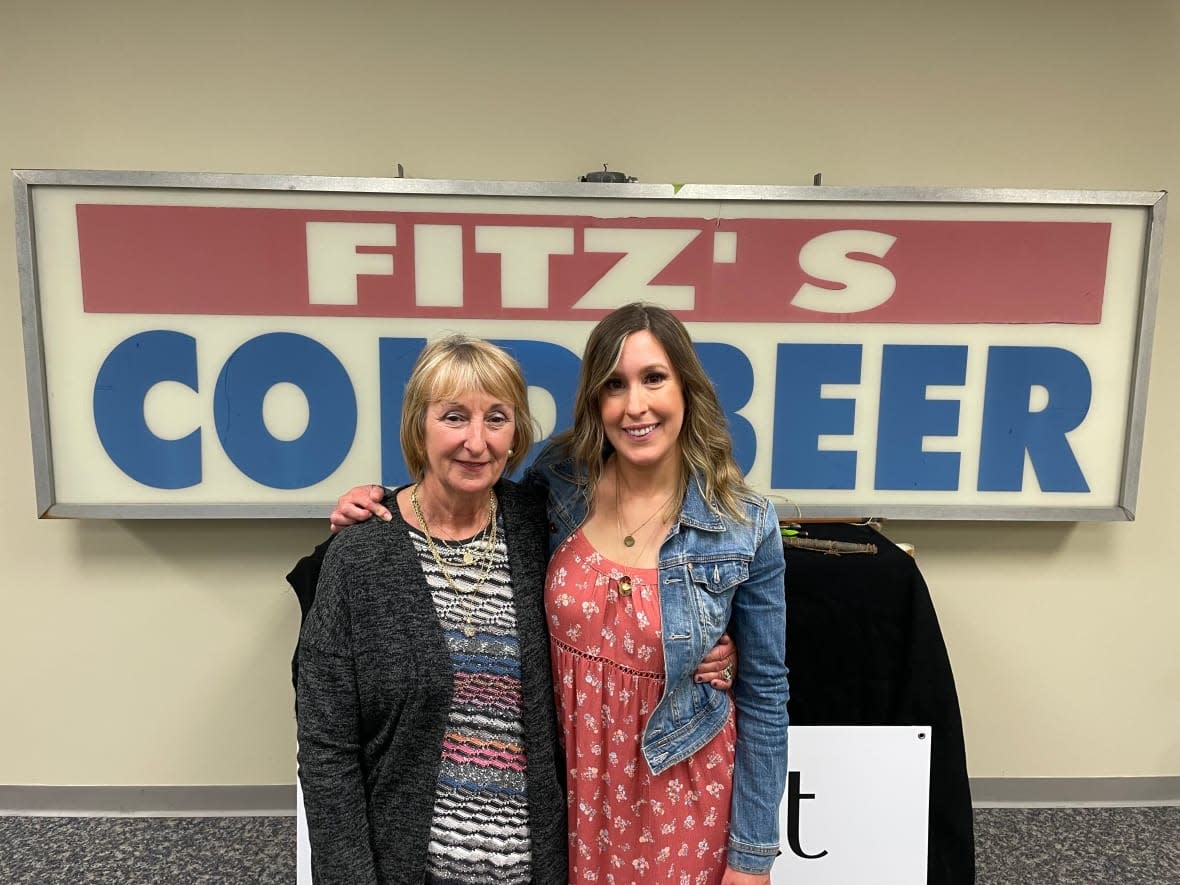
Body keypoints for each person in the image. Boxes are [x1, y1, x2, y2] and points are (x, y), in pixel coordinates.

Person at [328, 304, 787, 885]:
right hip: (564, 794)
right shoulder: (561, 483)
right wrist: (380, 499)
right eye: (614, 385)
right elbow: (464, 495)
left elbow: (767, 695)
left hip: (681, 794)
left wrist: (751, 860)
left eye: (654, 378)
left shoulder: (744, 524)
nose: (635, 405)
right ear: (596, 400)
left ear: (686, 388)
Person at [293, 335, 567, 884]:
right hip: (406, 869)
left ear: (516, 434)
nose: (475, 441)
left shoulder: (543, 530)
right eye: (453, 417)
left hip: (535, 869)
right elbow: (327, 748)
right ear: (419, 426)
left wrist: (711, 652)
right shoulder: (362, 553)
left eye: (496, 418)